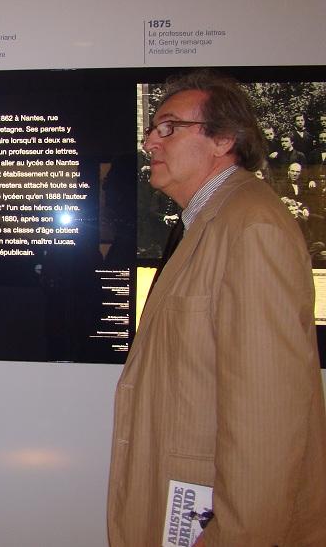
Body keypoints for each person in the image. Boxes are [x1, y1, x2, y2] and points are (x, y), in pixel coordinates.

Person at [107, 70, 326, 546]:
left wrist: (237, 534)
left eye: (168, 127)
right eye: (151, 129)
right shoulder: (210, 221)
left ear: (224, 139)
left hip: (221, 519)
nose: (149, 141)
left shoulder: (251, 229)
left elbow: (268, 413)